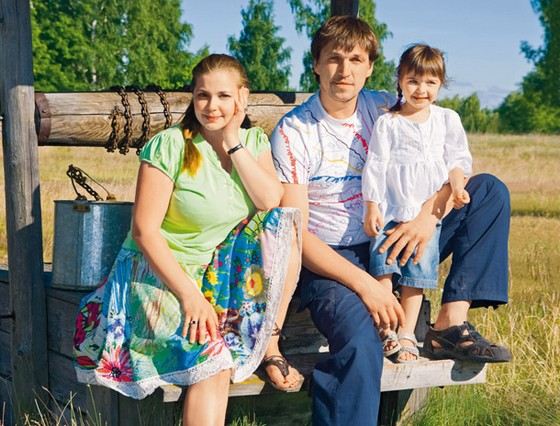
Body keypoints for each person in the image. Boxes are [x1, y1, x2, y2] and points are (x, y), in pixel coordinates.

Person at [270, 15, 511, 425]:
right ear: (316, 64)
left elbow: (448, 160)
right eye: (334, 59)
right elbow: (295, 236)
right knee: (361, 343)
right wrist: (366, 285)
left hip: (400, 233)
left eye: (355, 59)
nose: (344, 70)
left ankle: (448, 324)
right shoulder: (295, 132)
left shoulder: (385, 107)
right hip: (333, 258)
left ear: (369, 67)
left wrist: (426, 218)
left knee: (488, 191)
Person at [73, 54, 303, 426]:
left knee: (283, 222)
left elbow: (269, 200)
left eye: (224, 96)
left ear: (242, 98)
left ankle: (267, 340)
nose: (212, 106)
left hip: (215, 274)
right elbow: (144, 231)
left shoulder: (252, 141)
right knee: (213, 361)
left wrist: (232, 141)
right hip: (157, 273)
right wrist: (190, 296)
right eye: (203, 95)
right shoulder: (170, 145)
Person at [363, 44, 473, 363]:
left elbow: (457, 160)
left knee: (416, 274)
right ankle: (386, 330)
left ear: (440, 84)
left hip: (425, 213)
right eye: (413, 81)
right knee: (383, 267)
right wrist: (372, 205)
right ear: (399, 80)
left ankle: (407, 332)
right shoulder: (389, 122)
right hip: (390, 209)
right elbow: (376, 164)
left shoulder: (446, 119)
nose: (421, 89)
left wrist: (457, 186)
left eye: (430, 82)